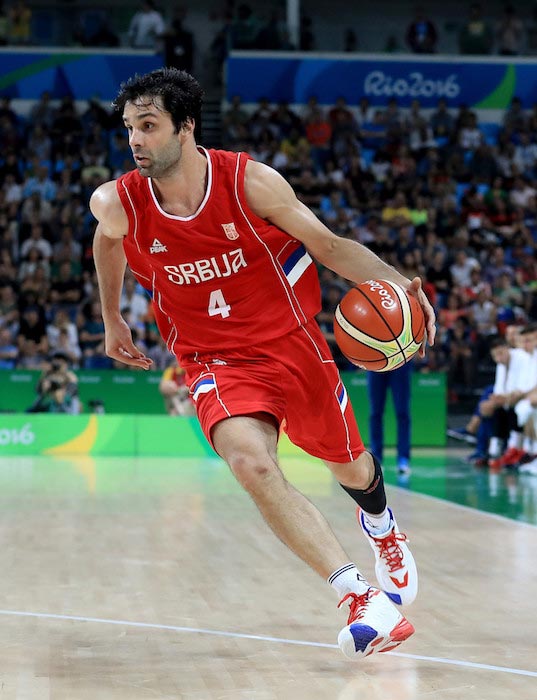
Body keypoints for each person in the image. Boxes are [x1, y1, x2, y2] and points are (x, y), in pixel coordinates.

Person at [89, 68, 436, 660]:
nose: (136, 141)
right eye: (129, 129)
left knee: (349, 466)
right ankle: (358, 596)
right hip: (212, 359)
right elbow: (107, 240)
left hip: (291, 344)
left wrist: (402, 285)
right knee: (250, 462)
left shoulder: (251, 183)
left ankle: (382, 527)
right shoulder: (117, 201)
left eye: (149, 126)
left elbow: (328, 246)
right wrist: (112, 318)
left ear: (186, 127)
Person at [367, 362, 413, 476]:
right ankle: (377, 458)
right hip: (375, 361)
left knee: (402, 412)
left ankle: (403, 459)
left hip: (400, 361)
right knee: (375, 413)